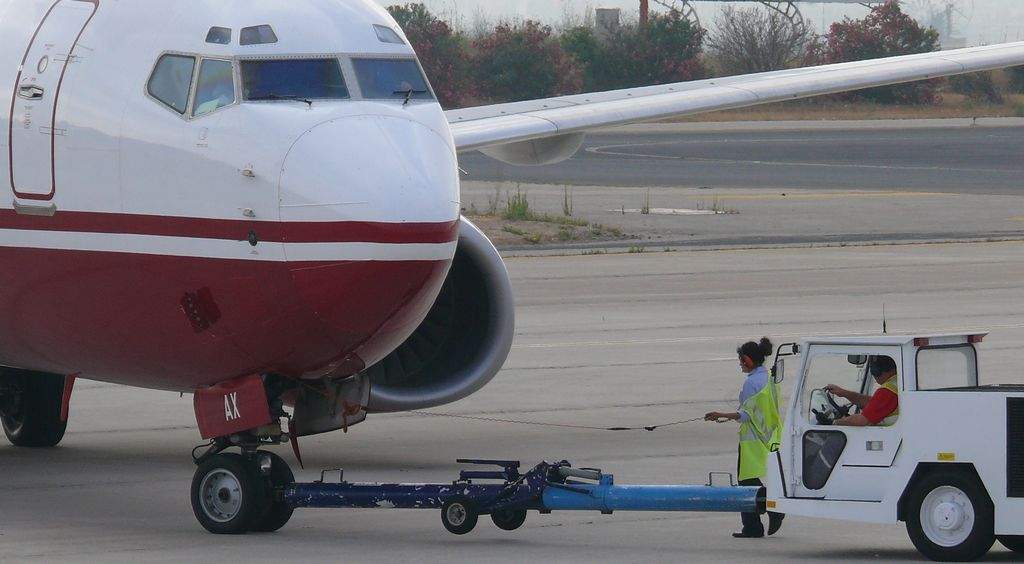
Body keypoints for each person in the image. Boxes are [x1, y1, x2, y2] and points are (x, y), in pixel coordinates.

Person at [704, 337, 785, 538]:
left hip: (752, 439)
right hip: (768, 434)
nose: (740, 364)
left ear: (748, 360)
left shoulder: (751, 383)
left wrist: (720, 415)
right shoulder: (768, 378)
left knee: (746, 483)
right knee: (750, 480)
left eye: (741, 360)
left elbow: (746, 415)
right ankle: (761, 518)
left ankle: (765, 516)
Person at [826, 355, 899, 427]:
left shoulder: (888, 390)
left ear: (878, 370)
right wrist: (843, 392)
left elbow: (862, 421)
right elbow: (872, 402)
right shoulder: (897, 383)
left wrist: (834, 423)